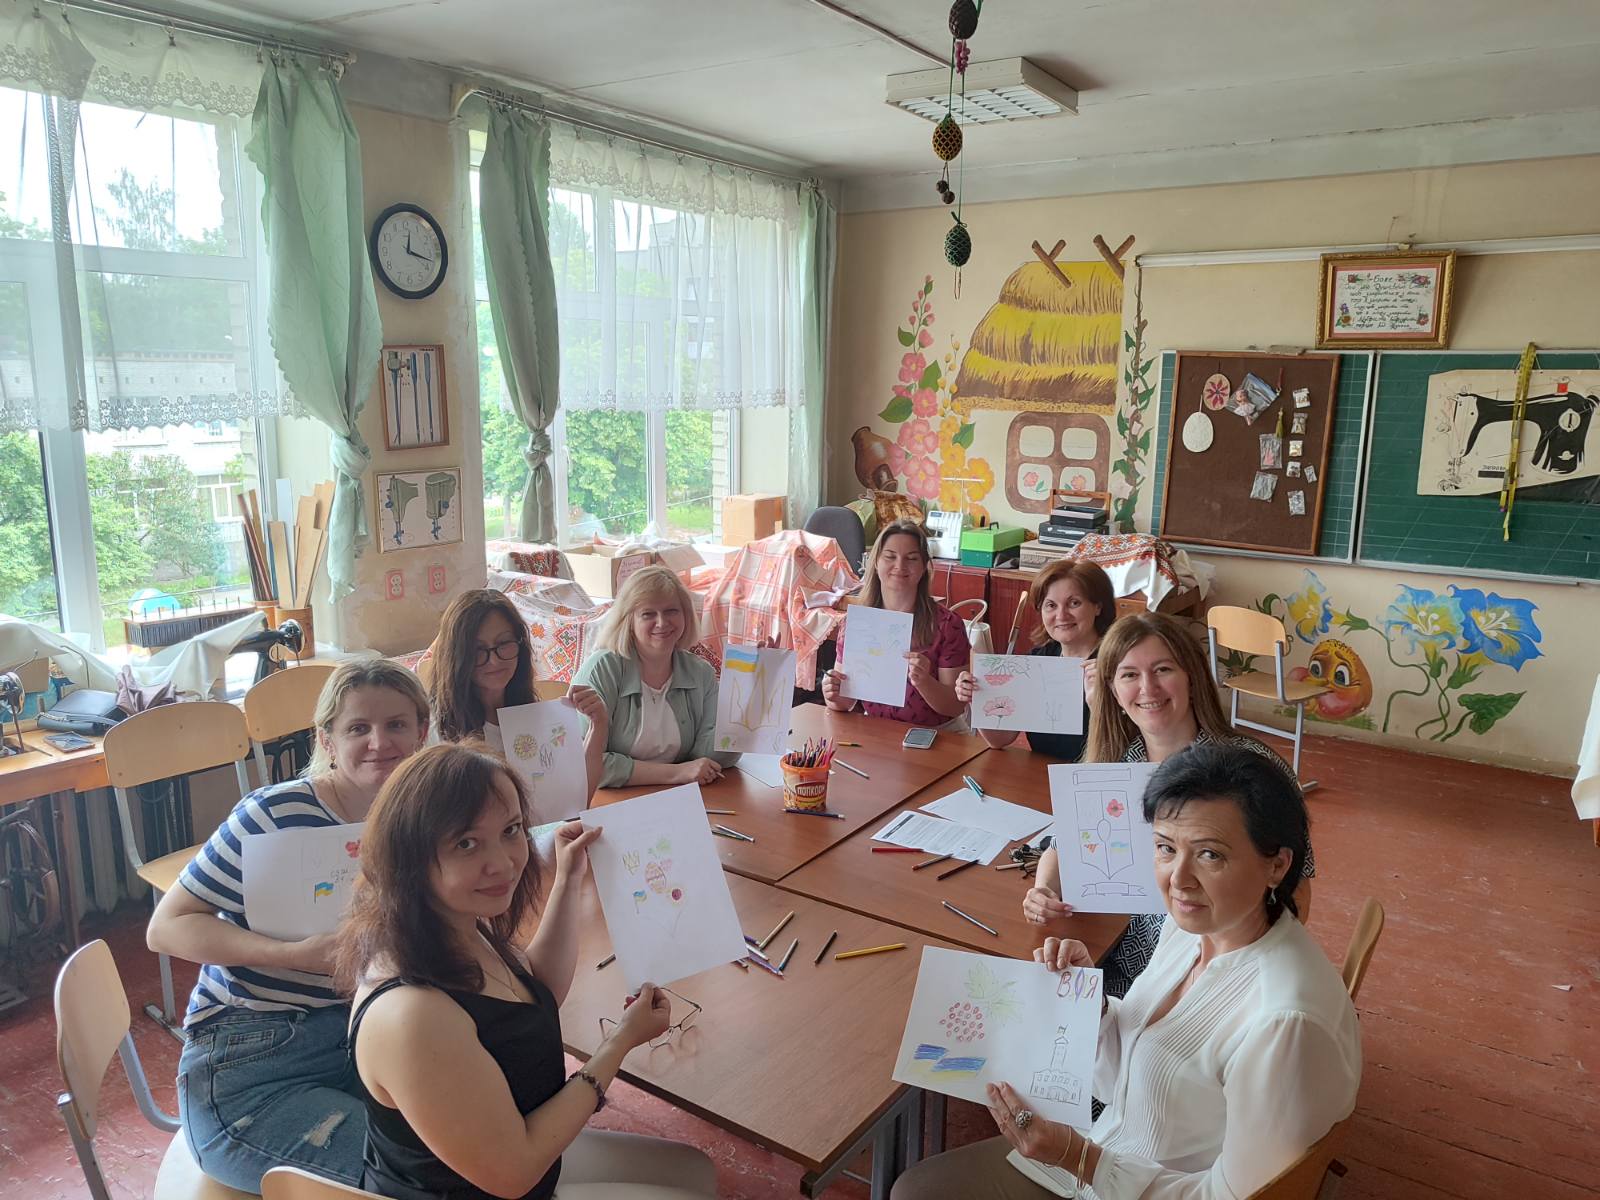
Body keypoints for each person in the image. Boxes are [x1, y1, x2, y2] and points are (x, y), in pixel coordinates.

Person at [892, 744, 1360, 1200]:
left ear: (1277, 864)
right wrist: (1092, 1010)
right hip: (1110, 1153)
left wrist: (1079, 1157)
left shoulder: (1284, 1021)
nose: (1178, 879)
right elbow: (1128, 1080)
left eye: (1210, 854)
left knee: (916, 1191)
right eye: (1165, 848)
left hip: (1115, 1172)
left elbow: (1237, 1195)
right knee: (916, 1187)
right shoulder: (1193, 930)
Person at [338, 743, 717, 1200]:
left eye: (511, 830)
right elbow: (514, 1173)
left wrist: (569, 877)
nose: (503, 863)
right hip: (500, 1179)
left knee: (696, 1171)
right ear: (409, 859)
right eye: (466, 843)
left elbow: (534, 989)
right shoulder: (412, 1016)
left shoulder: (452, 924)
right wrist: (619, 1042)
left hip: (518, 1146)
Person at [145, 660, 432, 1191]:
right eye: (358, 728)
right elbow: (166, 927)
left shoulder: (421, 814)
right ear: (327, 739)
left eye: (396, 724)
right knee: (423, 1177)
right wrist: (291, 955)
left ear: (422, 730)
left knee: (472, 1137)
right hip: (252, 1061)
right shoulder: (274, 815)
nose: (379, 742)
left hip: (359, 1038)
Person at [1028, 611, 1315, 996]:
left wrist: (1235, 974)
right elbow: (1064, 845)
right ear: (1113, 691)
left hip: (1211, 971)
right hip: (1119, 957)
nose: (1148, 688)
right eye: (1129, 675)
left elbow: (1297, 891)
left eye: (1162, 669)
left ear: (1192, 677)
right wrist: (1044, 890)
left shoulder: (1251, 771)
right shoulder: (1116, 762)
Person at [429, 588, 608, 796]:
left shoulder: (532, 715)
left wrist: (598, 725)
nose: (494, 660)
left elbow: (575, 798)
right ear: (457, 655)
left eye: (504, 643)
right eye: (478, 650)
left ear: (520, 645)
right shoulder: (438, 730)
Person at [572, 565, 736, 788]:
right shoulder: (602, 669)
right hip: (610, 799)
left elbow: (711, 756)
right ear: (629, 621)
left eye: (671, 611)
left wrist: (751, 689)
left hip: (679, 795)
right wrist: (677, 773)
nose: (662, 622)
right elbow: (584, 764)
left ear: (686, 615)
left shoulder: (701, 672)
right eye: (648, 614)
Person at [955, 559, 1116, 758]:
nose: (1061, 615)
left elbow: (1127, 749)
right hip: (1041, 772)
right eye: (1051, 605)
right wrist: (977, 697)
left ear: (1098, 606)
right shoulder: (1037, 661)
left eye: (1074, 603)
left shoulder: (1118, 666)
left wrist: (1105, 702)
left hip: (1095, 774)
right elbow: (1000, 739)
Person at [822, 519, 969, 727]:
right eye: (890, 556)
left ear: (924, 567)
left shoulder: (947, 625)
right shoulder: (857, 623)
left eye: (912, 558)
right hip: (877, 732)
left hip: (938, 734)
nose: (900, 566)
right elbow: (845, 702)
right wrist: (832, 692)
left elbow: (955, 706)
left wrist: (924, 681)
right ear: (875, 562)